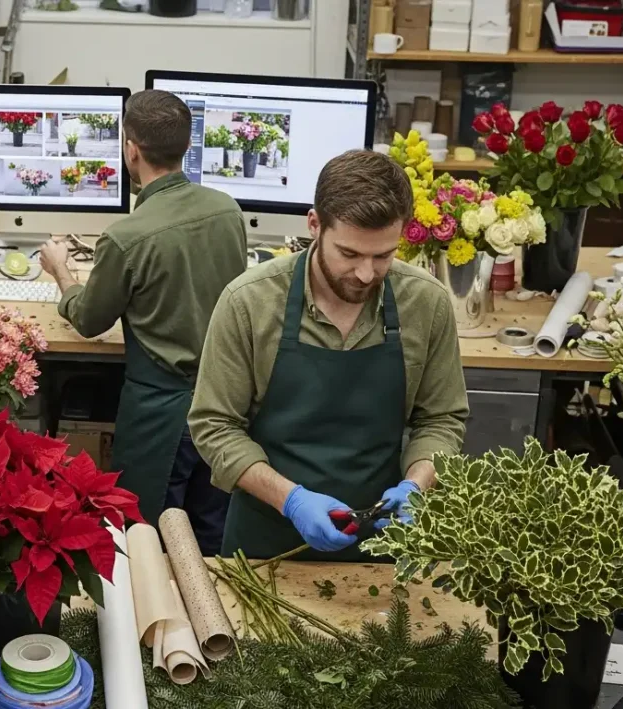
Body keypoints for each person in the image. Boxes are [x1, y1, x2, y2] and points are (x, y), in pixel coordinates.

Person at [188, 149, 468, 561]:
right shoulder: (249, 302)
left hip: (384, 544)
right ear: (314, 224)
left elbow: (442, 418)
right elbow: (214, 425)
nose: (366, 274)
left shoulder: (425, 303)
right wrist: (291, 500)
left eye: (383, 255)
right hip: (267, 544)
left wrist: (416, 484)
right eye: (350, 254)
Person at [39, 89, 246, 553]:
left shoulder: (126, 237)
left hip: (162, 414)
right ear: (186, 146)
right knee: (210, 534)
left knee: (145, 537)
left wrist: (62, 273)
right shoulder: (227, 210)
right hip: (224, 405)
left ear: (131, 149)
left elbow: (90, 321)